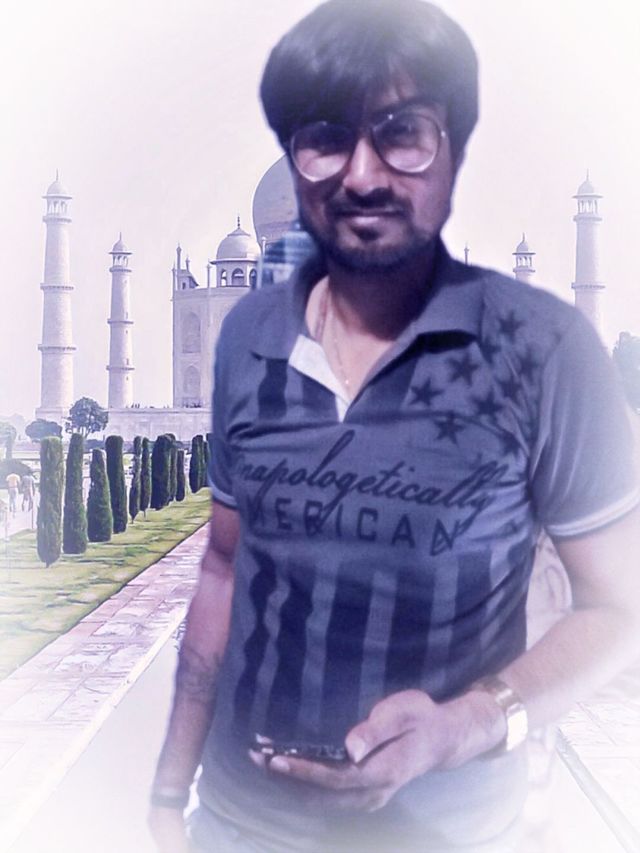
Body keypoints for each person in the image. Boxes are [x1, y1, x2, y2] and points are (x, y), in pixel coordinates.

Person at [149, 2, 640, 851]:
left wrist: (472, 722)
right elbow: (222, 571)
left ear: (453, 149)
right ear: (295, 163)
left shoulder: (544, 352)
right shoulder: (248, 338)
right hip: (236, 824)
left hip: (449, 831)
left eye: (402, 133)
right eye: (327, 138)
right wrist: (168, 787)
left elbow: (619, 606)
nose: (363, 175)